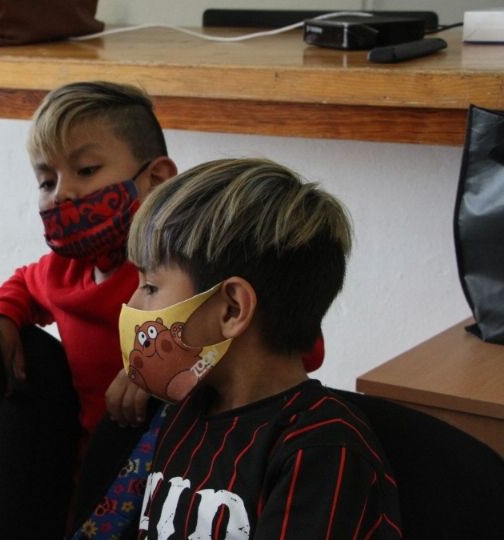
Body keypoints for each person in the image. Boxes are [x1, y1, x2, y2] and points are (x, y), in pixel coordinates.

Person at [110, 158, 401, 538]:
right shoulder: (184, 414)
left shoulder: (322, 451)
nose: (133, 303)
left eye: (150, 286)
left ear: (232, 308)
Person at [0, 81, 178, 441]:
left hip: (185, 467)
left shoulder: (190, 263)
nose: (62, 194)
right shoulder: (64, 271)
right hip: (93, 472)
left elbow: (289, 345)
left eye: (86, 170)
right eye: (46, 181)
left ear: (156, 180)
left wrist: (162, 360)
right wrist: (2, 316)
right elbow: (24, 285)